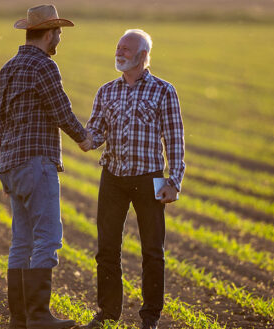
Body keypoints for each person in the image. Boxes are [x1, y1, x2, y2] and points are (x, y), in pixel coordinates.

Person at [81, 29, 185, 329]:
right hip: (112, 177)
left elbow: (174, 139)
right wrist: (81, 136)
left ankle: (150, 317)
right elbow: (95, 134)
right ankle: (108, 313)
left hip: (149, 179)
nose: (120, 52)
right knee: (107, 249)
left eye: (126, 49)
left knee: (153, 251)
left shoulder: (164, 91)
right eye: (118, 47)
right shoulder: (106, 92)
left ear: (143, 56)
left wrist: (173, 181)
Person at [0, 4, 92, 329]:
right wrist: (85, 138)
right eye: (59, 33)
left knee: (21, 241)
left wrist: (4, 165)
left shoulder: (7, 68)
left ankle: (19, 319)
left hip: (12, 163)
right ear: (49, 33)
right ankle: (38, 316)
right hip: (37, 162)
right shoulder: (44, 66)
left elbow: (1, 122)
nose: (60, 40)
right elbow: (61, 111)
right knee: (48, 237)